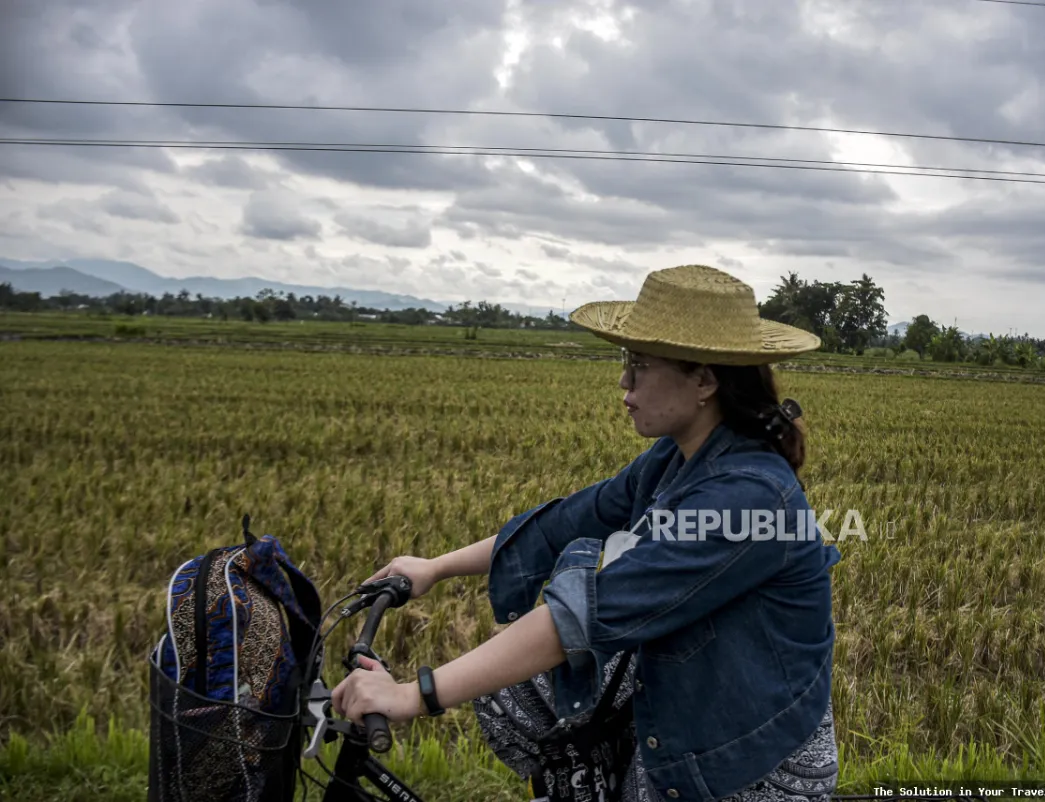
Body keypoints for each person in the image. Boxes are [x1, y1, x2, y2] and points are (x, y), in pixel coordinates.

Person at [333, 265, 843, 802]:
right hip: (699, 697)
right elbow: (568, 522)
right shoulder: (674, 457)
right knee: (537, 697)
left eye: (640, 366)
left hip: (746, 753)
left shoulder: (749, 497)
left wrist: (417, 696)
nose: (624, 385)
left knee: (552, 667)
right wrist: (435, 567)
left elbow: (585, 615)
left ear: (705, 381)